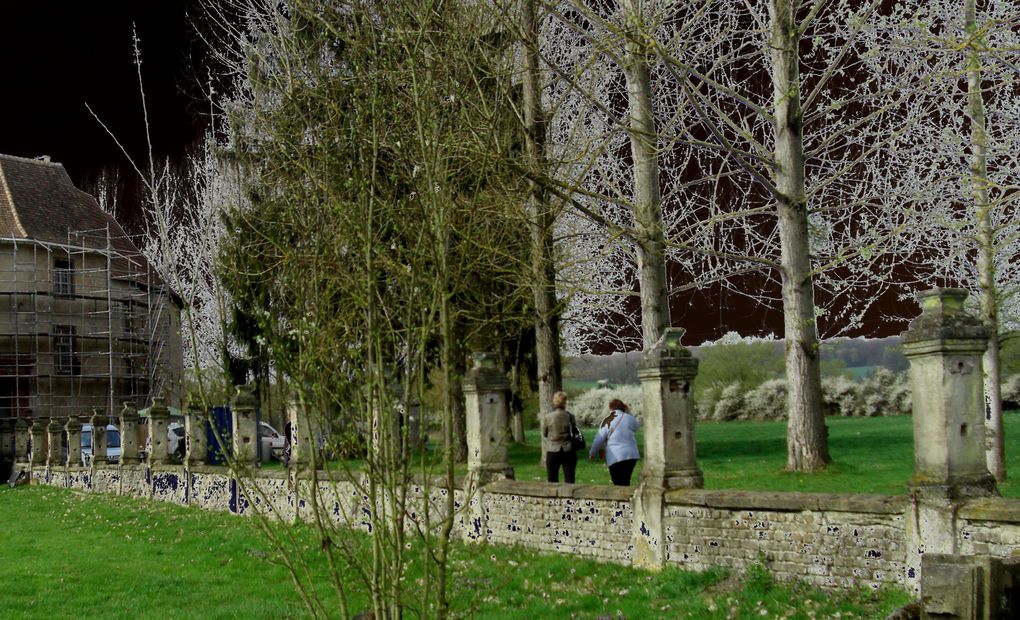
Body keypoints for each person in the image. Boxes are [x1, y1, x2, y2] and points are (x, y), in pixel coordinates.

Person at [589, 398, 640, 486]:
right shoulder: (629, 418)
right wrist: (629, 412)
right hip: (631, 455)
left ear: (610, 408)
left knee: (618, 483)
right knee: (626, 480)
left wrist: (592, 453)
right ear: (623, 407)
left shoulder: (608, 420)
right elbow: (637, 426)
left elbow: (599, 439)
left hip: (615, 456)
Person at [543, 391, 579, 483]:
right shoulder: (570, 416)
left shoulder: (548, 417)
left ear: (554, 402)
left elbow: (545, 433)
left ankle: (553, 497)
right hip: (568, 449)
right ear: (565, 402)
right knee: (569, 478)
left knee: (552, 479)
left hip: (553, 449)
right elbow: (574, 431)